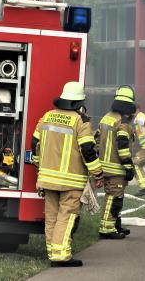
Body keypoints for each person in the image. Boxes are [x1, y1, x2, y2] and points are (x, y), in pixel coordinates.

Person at [31, 81, 104, 268]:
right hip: (71, 181)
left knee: (52, 217)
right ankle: (61, 255)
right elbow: (88, 150)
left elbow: (34, 144)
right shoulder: (81, 121)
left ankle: (53, 252)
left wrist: (40, 166)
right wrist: (98, 174)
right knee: (67, 215)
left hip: (47, 179)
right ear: (79, 102)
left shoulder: (47, 116)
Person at [96, 85, 137, 239]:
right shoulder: (123, 123)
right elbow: (123, 148)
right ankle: (106, 228)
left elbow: (97, 140)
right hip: (116, 169)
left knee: (116, 198)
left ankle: (115, 224)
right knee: (114, 198)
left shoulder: (107, 117)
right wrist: (128, 168)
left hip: (103, 166)